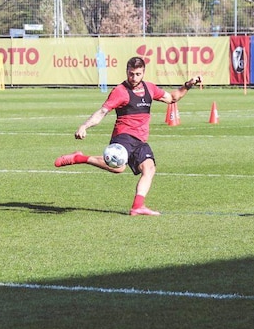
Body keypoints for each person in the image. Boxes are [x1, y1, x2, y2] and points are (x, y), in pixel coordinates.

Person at [55, 56, 202, 216]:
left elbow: (173, 98)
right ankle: (80, 158)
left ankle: (137, 206)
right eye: (131, 74)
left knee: (149, 168)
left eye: (138, 74)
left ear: (143, 72)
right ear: (127, 71)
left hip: (140, 140)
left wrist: (188, 85)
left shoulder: (150, 88)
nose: (134, 78)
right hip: (123, 136)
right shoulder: (120, 91)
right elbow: (103, 111)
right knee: (119, 168)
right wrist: (85, 125)